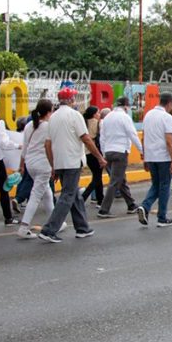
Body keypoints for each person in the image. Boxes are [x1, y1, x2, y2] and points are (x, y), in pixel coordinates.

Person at [37, 87, 105, 243]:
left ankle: (82, 228)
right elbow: (86, 138)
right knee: (68, 195)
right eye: (75, 98)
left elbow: (47, 145)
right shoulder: (75, 115)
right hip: (72, 161)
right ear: (71, 100)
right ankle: (49, 230)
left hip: (60, 161)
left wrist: (53, 165)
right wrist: (99, 157)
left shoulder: (53, 117)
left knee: (74, 195)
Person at [96, 97, 143, 218]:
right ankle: (104, 210)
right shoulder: (125, 117)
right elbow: (132, 134)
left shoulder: (107, 118)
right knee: (115, 181)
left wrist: (103, 154)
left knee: (120, 179)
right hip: (120, 151)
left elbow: (102, 137)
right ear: (126, 106)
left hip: (109, 151)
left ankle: (131, 204)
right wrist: (142, 150)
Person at [17, 99, 55, 239]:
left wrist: (21, 165)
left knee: (47, 193)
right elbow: (51, 146)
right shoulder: (49, 126)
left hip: (30, 163)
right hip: (43, 164)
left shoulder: (29, 126)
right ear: (49, 112)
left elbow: (25, 148)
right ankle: (24, 226)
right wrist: (54, 165)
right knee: (36, 195)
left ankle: (55, 221)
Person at [138, 92, 172, 228]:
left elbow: (144, 137)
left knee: (156, 184)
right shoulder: (167, 117)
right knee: (165, 185)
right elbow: (169, 141)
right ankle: (162, 217)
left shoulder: (148, 115)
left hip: (151, 156)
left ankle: (145, 206)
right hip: (163, 157)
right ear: (170, 103)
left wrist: (145, 157)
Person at [79, 106, 104, 206]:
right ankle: (84, 197)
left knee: (97, 175)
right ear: (94, 114)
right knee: (97, 177)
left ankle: (100, 199)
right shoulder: (98, 123)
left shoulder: (84, 122)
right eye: (98, 113)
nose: (99, 115)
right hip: (96, 151)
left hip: (86, 152)